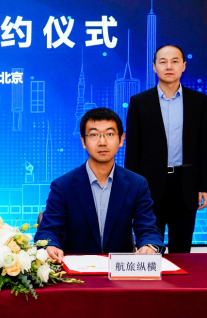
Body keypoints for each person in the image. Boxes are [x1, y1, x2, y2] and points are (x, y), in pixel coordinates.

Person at [35, 108, 164, 262]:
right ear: (83, 141)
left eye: (109, 134)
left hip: (119, 271)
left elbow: (148, 229)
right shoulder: (63, 186)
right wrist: (50, 246)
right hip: (75, 271)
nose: (102, 142)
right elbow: (48, 230)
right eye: (94, 135)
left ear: (121, 139)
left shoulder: (137, 184)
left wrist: (149, 245)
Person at [125, 44, 207, 253]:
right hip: (149, 185)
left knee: (182, 250)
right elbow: (132, 150)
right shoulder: (139, 102)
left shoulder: (199, 101)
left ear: (183, 66)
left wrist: (205, 186)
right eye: (163, 62)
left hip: (186, 184)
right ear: (154, 67)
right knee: (148, 248)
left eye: (174, 61)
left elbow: (205, 146)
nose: (169, 66)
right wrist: (131, 189)